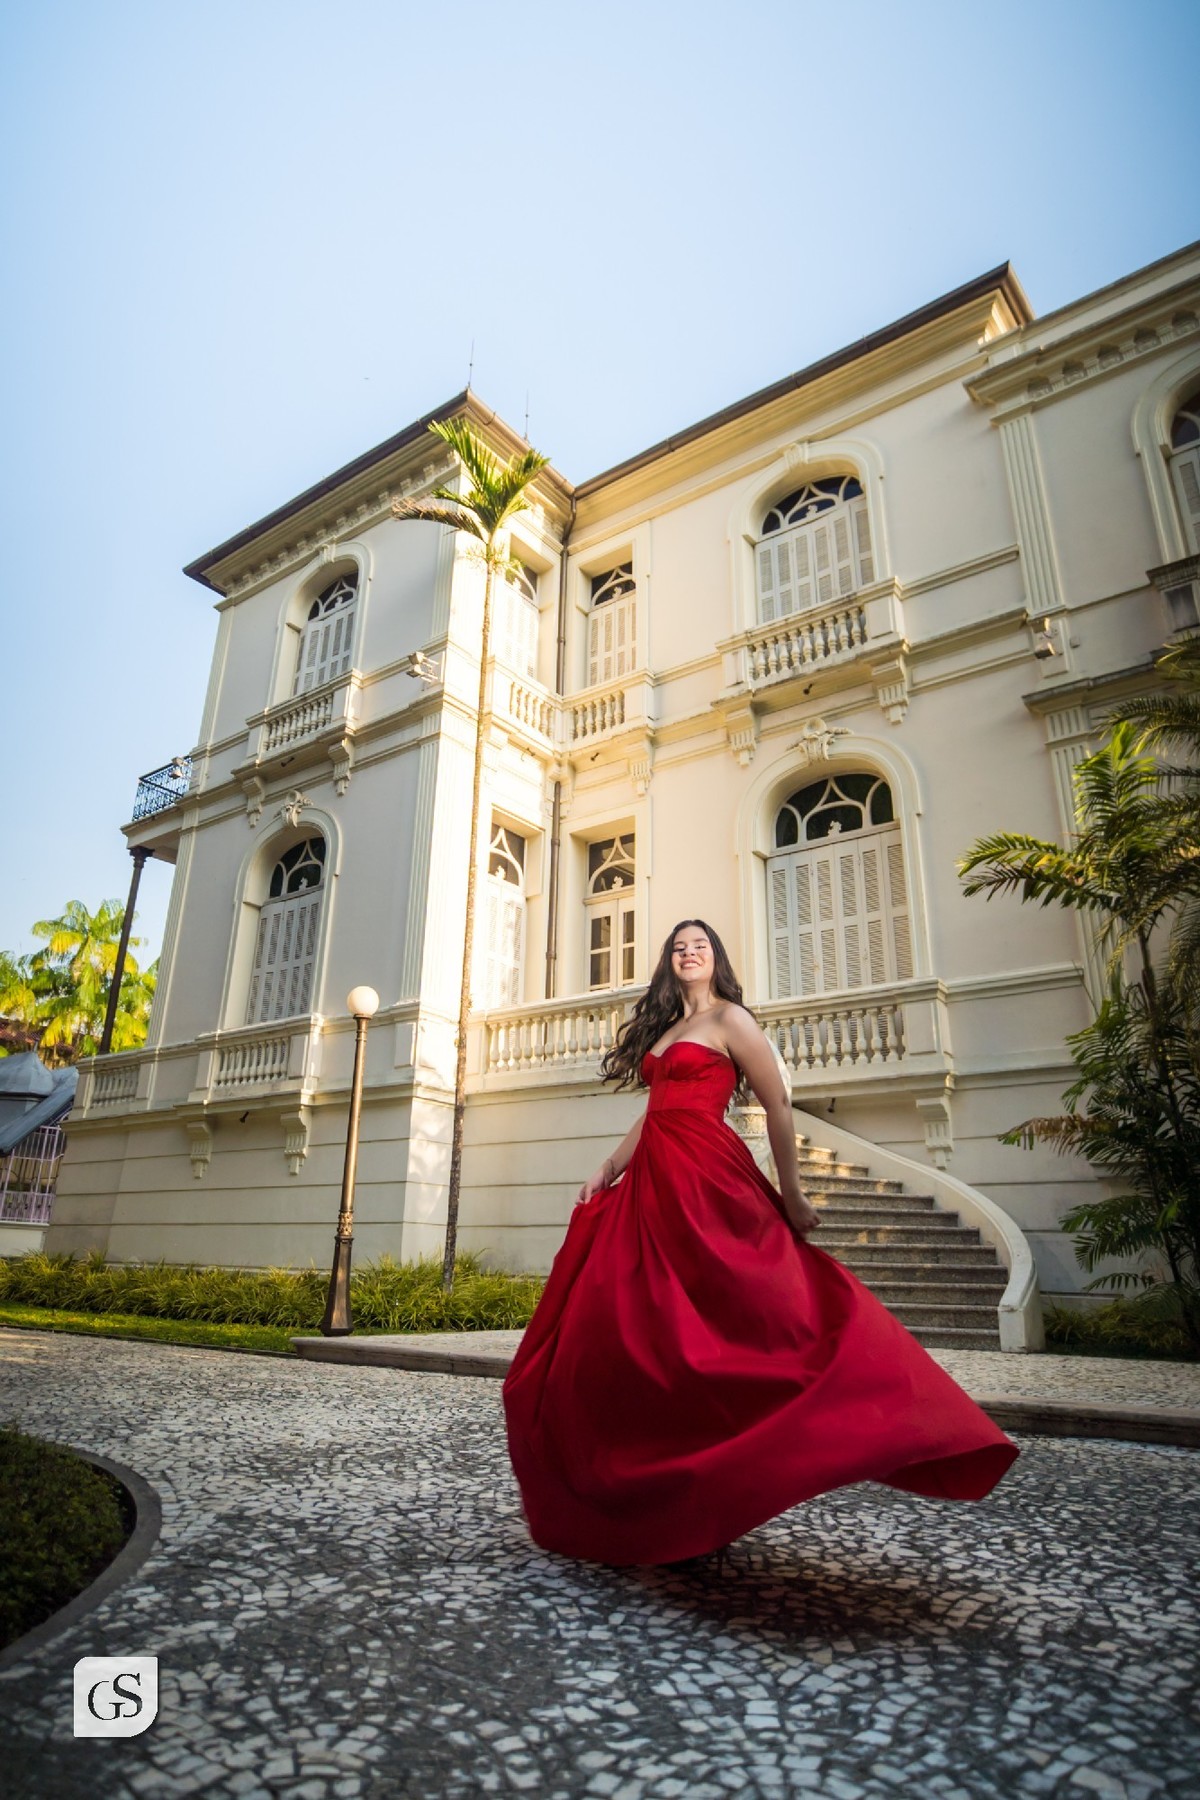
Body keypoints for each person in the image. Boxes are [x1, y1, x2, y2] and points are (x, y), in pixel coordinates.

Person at [502, 918, 1018, 1568]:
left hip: (704, 1174)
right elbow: (654, 1109)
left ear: (716, 958)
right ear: (670, 962)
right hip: (653, 1180)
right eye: (680, 946)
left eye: (702, 945)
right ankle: (656, 1486)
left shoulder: (731, 1021)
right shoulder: (667, 1030)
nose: (691, 952)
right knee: (638, 1329)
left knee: (745, 1311)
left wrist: (793, 1192)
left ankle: (839, 1414)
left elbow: (776, 1105)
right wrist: (610, 1166)